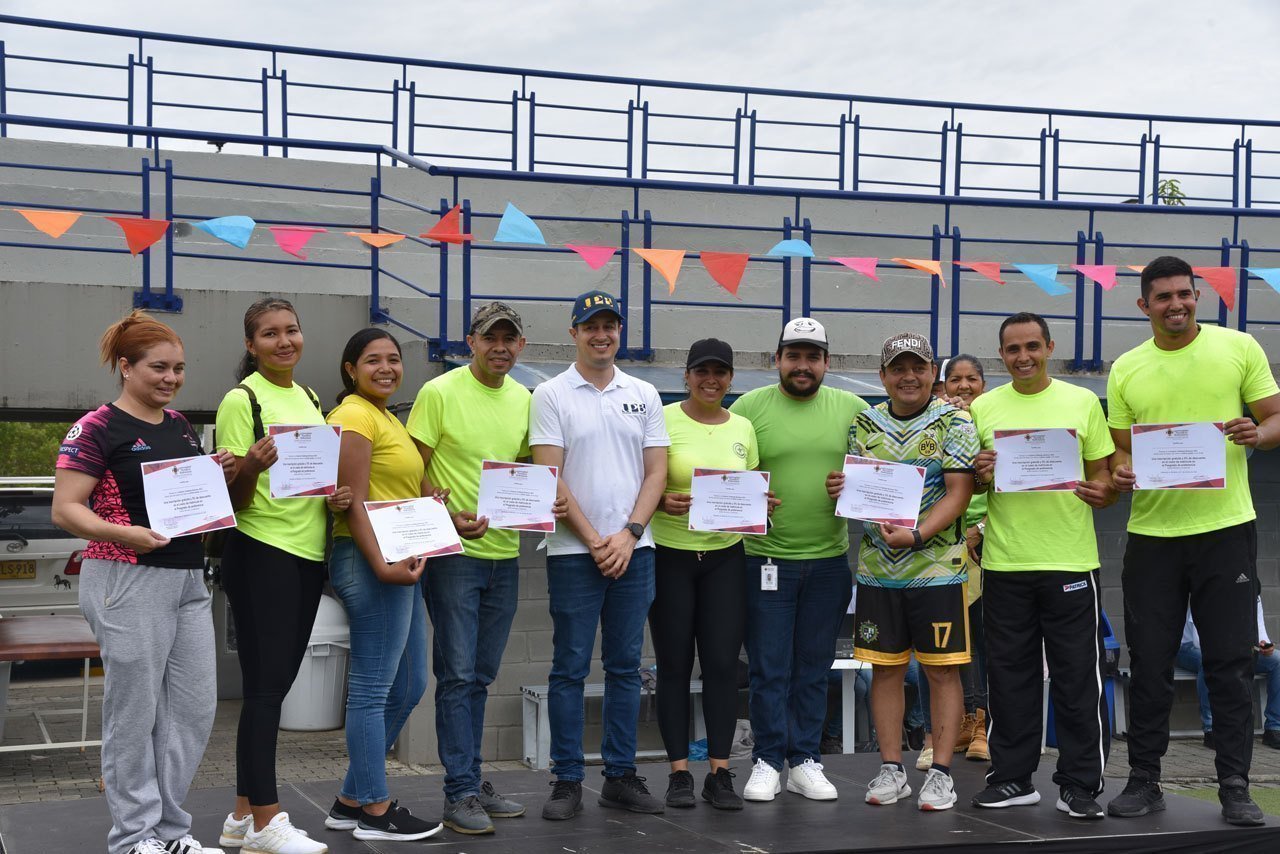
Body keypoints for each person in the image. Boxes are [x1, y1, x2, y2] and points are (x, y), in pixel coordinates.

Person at [1106, 255, 1280, 827]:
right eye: (1163, 298)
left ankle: (1235, 784)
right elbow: (1120, 451)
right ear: (1144, 306)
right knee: (1150, 663)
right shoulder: (1127, 367)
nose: (1175, 304)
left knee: (1229, 663)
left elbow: (1275, 418)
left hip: (1226, 531)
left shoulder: (1239, 348)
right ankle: (1144, 780)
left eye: (1184, 294)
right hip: (1152, 536)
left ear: (1197, 295)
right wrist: (1123, 470)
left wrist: (1261, 433)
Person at [52, 311, 234, 854]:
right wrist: (123, 533)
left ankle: (170, 832)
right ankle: (133, 837)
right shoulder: (96, 428)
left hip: (185, 579)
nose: (171, 378)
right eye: (158, 367)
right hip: (124, 578)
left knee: (193, 709)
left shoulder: (178, 426)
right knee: (134, 713)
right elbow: (66, 509)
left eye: (178, 368)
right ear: (125, 367)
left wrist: (215, 475)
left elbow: (185, 500)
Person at [214, 298, 352, 854]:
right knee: (267, 691)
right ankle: (270, 823)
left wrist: (334, 496)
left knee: (274, 687)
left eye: (291, 330)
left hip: (305, 552)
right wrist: (250, 465)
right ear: (251, 345)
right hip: (260, 549)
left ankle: (241, 819)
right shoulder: (239, 399)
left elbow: (308, 482)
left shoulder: (311, 397)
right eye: (269, 334)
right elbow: (231, 500)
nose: (284, 341)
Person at [966, 314, 1115, 819]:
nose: (1023, 356)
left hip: (1071, 561)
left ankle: (1079, 786)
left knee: (1078, 680)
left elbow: (1103, 478)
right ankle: (1011, 778)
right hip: (1006, 564)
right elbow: (975, 488)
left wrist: (1104, 493)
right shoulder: (983, 407)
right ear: (1001, 355)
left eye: (1032, 346)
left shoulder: (1081, 402)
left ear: (1049, 347)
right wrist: (982, 476)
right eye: (1012, 349)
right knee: (1009, 679)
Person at [530, 291, 670, 820]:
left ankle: (619, 775)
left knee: (625, 668)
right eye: (591, 326)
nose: (602, 335)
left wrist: (630, 534)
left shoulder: (644, 392)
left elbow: (656, 471)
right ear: (574, 333)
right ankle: (567, 779)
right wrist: (595, 539)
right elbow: (552, 477)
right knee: (568, 667)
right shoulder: (550, 394)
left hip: (636, 550)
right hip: (573, 551)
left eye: (610, 326)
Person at [406, 302, 543, 834]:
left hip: (504, 556)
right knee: (458, 676)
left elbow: (529, 470)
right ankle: (458, 790)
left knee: (482, 676)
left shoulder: (523, 400)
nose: (500, 347)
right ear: (471, 341)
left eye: (510, 339)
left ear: (521, 346)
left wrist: (542, 500)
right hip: (455, 556)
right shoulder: (440, 392)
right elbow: (408, 465)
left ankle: (472, 777)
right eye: (491, 338)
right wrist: (440, 509)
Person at [826, 332, 976, 812]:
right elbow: (861, 490)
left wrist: (917, 535)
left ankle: (941, 774)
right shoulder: (864, 423)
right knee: (886, 671)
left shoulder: (955, 421)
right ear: (883, 375)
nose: (908, 376)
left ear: (933, 373)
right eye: (898, 368)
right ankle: (892, 768)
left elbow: (958, 493)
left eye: (918, 367)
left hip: (936, 570)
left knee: (941, 672)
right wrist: (842, 489)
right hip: (876, 571)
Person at [731, 317, 868, 802]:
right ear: (778, 360)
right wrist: (749, 498)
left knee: (814, 665)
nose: (803, 365)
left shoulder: (855, 409)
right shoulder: (749, 408)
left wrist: (854, 486)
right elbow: (728, 478)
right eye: (794, 356)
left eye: (812, 357)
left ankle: (804, 759)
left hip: (829, 561)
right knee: (769, 667)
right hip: (765, 560)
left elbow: (878, 472)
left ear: (827, 362)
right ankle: (767, 758)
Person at [325, 329, 442, 843]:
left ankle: (349, 800)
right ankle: (374, 809)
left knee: (411, 683)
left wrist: (451, 520)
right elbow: (351, 502)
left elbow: (404, 496)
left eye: (394, 359)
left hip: (399, 560)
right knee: (373, 690)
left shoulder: (388, 416)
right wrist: (381, 565)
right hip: (371, 561)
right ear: (351, 369)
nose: (387, 368)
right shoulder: (354, 415)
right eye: (373, 360)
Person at [648, 338, 763, 811]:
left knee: (720, 667)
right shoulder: (663, 418)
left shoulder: (743, 426)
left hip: (725, 558)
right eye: (701, 371)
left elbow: (750, 485)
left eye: (720, 372)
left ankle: (719, 772)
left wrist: (760, 504)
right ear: (686, 376)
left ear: (732, 378)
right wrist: (659, 501)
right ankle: (679, 773)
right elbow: (644, 481)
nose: (710, 380)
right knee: (673, 667)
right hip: (671, 554)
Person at [942, 355, 990, 764]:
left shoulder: (993, 421)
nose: (963, 386)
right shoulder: (937, 422)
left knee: (984, 640)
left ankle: (983, 725)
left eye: (971, 379)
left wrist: (982, 531)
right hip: (944, 545)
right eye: (954, 380)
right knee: (954, 643)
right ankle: (955, 724)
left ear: (983, 384)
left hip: (990, 545)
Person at [1177, 598, 1280, 751]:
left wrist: (1264, 645)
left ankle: (1274, 728)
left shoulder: (1253, 594)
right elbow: (1200, 641)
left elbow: (1260, 632)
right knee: (1211, 659)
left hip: (1235, 648)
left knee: (1277, 661)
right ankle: (1211, 729)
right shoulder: (1207, 588)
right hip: (1189, 647)